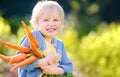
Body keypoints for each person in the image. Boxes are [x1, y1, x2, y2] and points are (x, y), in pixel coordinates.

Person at [18, 0, 73, 77]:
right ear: (36, 23)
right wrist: (44, 62)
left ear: (61, 23)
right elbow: (19, 61)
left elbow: (69, 66)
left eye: (55, 20)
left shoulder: (59, 44)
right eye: (46, 20)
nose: (51, 24)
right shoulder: (33, 36)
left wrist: (57, 70)